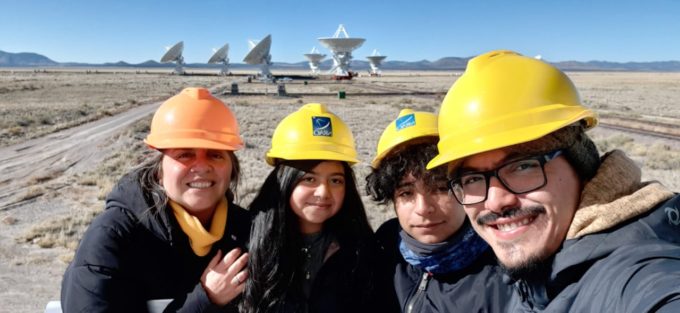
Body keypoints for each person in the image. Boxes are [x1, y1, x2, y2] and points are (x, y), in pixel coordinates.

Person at [428, 50, 680, 312]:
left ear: (581, 165)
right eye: (472, 179)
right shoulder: (536, 275)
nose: (495, 201)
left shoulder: (639, 274)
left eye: (523, 166)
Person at [61, 87, 251, 312]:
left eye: (215, 154)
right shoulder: (113, 238)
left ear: (232, 169)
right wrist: (206, 300)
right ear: (158, 171)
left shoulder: (247, 230)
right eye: (184, 154)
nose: (201, 166)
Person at [365, 109, 512, 312]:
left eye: (440, 188)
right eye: (406, 194)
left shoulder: (504, 280)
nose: (424, 208)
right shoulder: (384, 245)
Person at [239, 103, 379, 313]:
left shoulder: (361, 249)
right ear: (285, 181)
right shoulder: (246, 243)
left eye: (336, 181)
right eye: (310, 179)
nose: (323, 192)